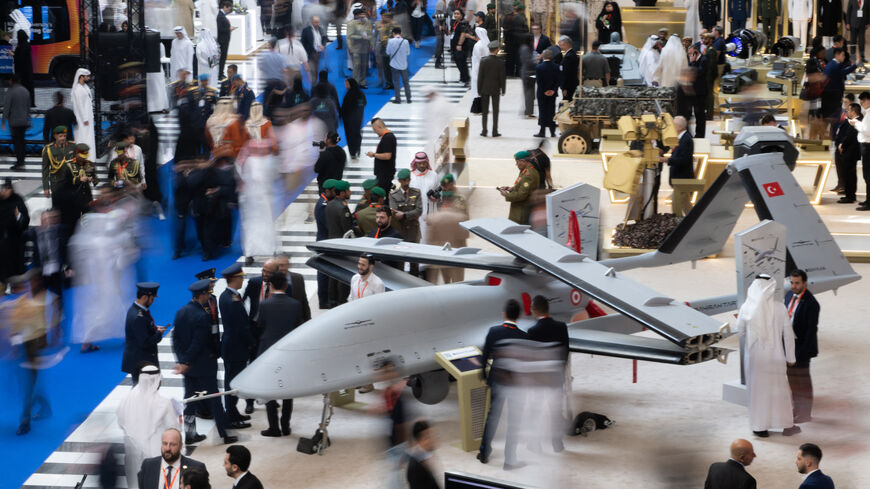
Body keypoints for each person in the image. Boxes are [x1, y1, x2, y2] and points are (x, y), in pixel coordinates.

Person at [173, 280, 239, 445]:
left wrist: (182, 361)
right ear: (202, 294)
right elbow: (198, 342)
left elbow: (176, 340)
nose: (209, 296)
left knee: (190, 400)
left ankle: (189, 434)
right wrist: (187, 360)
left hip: (189, 368)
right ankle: (225, 433)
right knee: (215, 399)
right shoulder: (202, 316)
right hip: (203, 366)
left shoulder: (181, 312)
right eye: (208, 293)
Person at [736, 275, 801, 438]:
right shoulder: (780, 307)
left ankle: (759, 427)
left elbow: (740, 332)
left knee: (757, 392)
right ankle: (785, 424)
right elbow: (788, 335)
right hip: (775, 357)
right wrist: (791, 358)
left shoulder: (746, 307)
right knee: (779, 391)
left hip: (755, 358)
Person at [478, 299, 529, 469]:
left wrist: (483, 375)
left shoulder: (493, 331)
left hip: (496, 379)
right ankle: (509, 460)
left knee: (492, 416)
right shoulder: (523, 336)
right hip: (515, 383)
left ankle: (484, 453)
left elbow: (484, 356)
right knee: (514, 420)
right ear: (519, 316)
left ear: (504, 314)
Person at [117, 365, 181, 489]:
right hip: (154, 453)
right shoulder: (163, 403)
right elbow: (173, 429)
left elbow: (121, 422)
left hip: (132, 452)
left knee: (135, 483)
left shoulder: (127, 399)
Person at [257, 273, 304, 436]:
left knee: (270, 391)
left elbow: (259, 326)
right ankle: (286, 425)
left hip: (269, 353)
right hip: (288, 354)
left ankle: (274, 427)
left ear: (271, 286)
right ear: (285, 286)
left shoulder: (265, 305)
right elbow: (299, 328)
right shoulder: (295, 304)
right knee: (288, 392)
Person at [527, 295, 568, 453]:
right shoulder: (561, 327)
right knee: (556, 411)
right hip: (556, 377)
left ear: (535, 310)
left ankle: (535, 444)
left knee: (536, 411)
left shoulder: (533, 331)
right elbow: (565, 353)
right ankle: (557, 444)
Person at [218, 264, 255, 425]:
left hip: (231, 345)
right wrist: (251, 343)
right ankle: (231, 416)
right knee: (232, 383)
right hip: (236, 347)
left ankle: (233, 413)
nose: (242, 280)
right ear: (234, 279)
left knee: (231, 381)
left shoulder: (226, 296)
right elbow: (242, 327)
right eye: (241, 277)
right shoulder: (233, 301)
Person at [784, 269, 820, 424]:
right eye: (791, 282)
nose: (793, 286)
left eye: (797, 283)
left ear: (804, 283)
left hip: (802, 348)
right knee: (793, 382)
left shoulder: (811, 303)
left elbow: (812, 331)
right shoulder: (788, 296)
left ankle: (805, 414)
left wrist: (800, 354)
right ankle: (797, 410)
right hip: (789, 346)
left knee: (803, 383)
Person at [121, 283, 166, 383]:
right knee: (144, 392)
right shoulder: (138, 317)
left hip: (140, 361)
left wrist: (153, 329)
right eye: (152, 299)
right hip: (142, 362)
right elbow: (145, 343)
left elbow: (142, 331)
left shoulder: (136, 310)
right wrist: (158, 333)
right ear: (145, 297)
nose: (153, 301)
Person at [137, 428, 205, 489]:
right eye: (165, 443)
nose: (168, 448)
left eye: (173, 444)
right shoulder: (148, 466)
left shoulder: (196, 468)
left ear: (181, 446)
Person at [0, 178, 29, 284]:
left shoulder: (18, 200)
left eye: (7, 189)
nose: (5, 191)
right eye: (4, 189)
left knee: (15, 268)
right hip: (2, 241)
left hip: (15, 241)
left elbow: (25, 219)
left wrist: (18, 216)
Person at [499, 151, 541, 224]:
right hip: (520, 209)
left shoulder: (529, 175)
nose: (516, 164)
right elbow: (522, 187)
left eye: (517, 162)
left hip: (521, 212)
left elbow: (521, 195)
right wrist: (511, 189)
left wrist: (506, 194)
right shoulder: (526, 171)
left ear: (523, 161)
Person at [477, 41, 505, 137]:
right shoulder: (500, 62)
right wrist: (503, 89)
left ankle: (484, 131)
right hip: (496, 89)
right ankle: (494, 131)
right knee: (495, 110)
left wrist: (478, 89)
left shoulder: (483, 60)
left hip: (484, 88)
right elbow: (502, 77)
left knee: (484, 111)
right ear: (496, 50)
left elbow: (480, 76)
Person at [2, 75, 30, 171]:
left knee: (17, 142)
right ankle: (22, 160)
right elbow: (28, 107)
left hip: (15, 121)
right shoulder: (25, 91)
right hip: (24, 121)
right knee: (22, 141)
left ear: (11, 81)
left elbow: (7, 107)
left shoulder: (11, 91)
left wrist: (3, 121)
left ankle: (19, 162)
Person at [822, 48, 857, 121]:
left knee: (831, 116)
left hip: (830, 94)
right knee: (835, 116)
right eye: (842, 55)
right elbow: (844, 72)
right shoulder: (835, 65)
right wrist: (855, 65)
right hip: (833, 95)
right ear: (837, 55)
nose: (844, 57)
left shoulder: (832, 64)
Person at [274, 254, 311, 322]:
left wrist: (308, 319)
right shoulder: (272, 279)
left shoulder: (298, 278)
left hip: (297, 319)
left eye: (282, 265)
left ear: (288, 265)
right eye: (278, 266)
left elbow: (304, 300)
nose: (280, 268)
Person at [390, 168, 423, 244]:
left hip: (413, 230)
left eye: (408, 180)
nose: (406, 182)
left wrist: (404, 215)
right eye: (404, 180)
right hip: (399, 230)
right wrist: (411, 213)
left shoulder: (416, 193)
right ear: (399, 181)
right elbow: (394, 213)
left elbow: (419, 211)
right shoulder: (393, 195)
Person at [838, 102, 861, 203]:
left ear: (853, 111)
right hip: (851, 151)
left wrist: (842, 145)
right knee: (849, 174)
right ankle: (849, 194)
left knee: (849, 174)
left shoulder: (857, 122)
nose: (847, 112)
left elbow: (851, 137)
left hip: (851, 152)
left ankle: (850, 196)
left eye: (848, 110)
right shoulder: (854, 121)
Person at [661, 115, 695, 184]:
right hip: (677, 179)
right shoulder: (680, 138)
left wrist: (667, 160)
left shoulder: (686, 139)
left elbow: (684, 160)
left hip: (683, 180)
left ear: (679, 127)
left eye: (672, 125)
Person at [406, 420, 439, 489]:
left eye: (433, 435)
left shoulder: (425, 456)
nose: (433, 439)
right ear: (419, 441)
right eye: (428, 437)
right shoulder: (415, 468)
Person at [71, 69, 96, 157]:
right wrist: (84, 118)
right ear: (81, 77)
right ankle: (82, 156)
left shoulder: (85, 87)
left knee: (88, 136)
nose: (88, 78)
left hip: (88, 116)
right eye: (87, 76)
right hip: (82, 119)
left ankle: (89, 156)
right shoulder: (78, 89)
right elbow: (80, 105)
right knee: (83, 136)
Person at [534, 49, 559, 138]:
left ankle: (542, 131)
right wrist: (553, 90)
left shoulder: (539, 67)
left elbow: (539, 82)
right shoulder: (556, 67)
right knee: (551, 111)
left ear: (543, 56)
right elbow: (557, 80)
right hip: (552, 94)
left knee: (542, 111)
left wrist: (545, 90)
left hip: (542, 93)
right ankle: (552, 132)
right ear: (551, 57)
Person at [367, 118, 397, 190]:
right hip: (384, 172)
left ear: (380, 127)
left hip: (385, 173)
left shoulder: (388, 138)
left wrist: (374, 155)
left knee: (384, 194)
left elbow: (387, 156)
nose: (374, 131)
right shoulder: (386, 137)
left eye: (374, 129)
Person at [341, 78, 367, 160]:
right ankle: (357, 148)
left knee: (350, 135)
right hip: (358, 118)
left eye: (347, 84)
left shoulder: (349, 95)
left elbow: (345, 107)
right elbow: (364, 103)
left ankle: (352, 151)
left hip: (349, 120)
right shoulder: (360, 93)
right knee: (357, 134)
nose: (345, 86)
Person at [347, 7, 372, 88]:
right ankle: (355, 83)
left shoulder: (367, 23)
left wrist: (371, 44)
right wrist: (350, 47)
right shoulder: (352, 24)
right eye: (361, 15)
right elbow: (349, 36)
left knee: (364, 66)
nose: (363, 17)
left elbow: (370, 34)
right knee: (356, 66)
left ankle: (362, 82)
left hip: (365, 48)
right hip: (356, 48)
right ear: (357, 16)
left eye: (364, 15)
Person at [387, 27, 412, 104]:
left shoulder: (390, 41)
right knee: (406, 82)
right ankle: (409, 99)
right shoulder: (406, 41)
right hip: (404, 64)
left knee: (396, 82)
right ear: (400, 33)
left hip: (394, 65)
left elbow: (388, 52)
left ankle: (398, 99)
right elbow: (408, 53)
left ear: (393, 33)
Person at [469, 24, 490, 113]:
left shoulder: (477, 45)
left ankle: (477, 108)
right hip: (486, 69)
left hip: (477, 68)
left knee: (476, 88)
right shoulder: (487, 44)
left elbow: (477, 58)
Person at [376, 11, 396, 90]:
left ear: (389, 18)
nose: (383, 18)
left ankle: (394, 82)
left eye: (385, 17)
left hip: (393, 48)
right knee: (386, 66)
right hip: (384, 47)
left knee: (393, 66)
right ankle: (389, 83)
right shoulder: (382, 24)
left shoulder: (394, 26)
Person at [13, 30, 33, 106]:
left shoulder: (22, 46)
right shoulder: (27, 44)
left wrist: (13, 54)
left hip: (22, 71)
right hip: (28, 70)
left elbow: (20, 58)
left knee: (22, 86)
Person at [217, 0, 235, 79]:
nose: (228, 10)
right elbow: (220, 29)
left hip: (224, 40)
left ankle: (221, 72)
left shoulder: (222, 15)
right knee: (222, 58)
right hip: (223, 41)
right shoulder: (220, 16)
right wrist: (229, 29)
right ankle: (220, 73)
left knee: (223, 58)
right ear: (224, 7)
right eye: (228, 8)